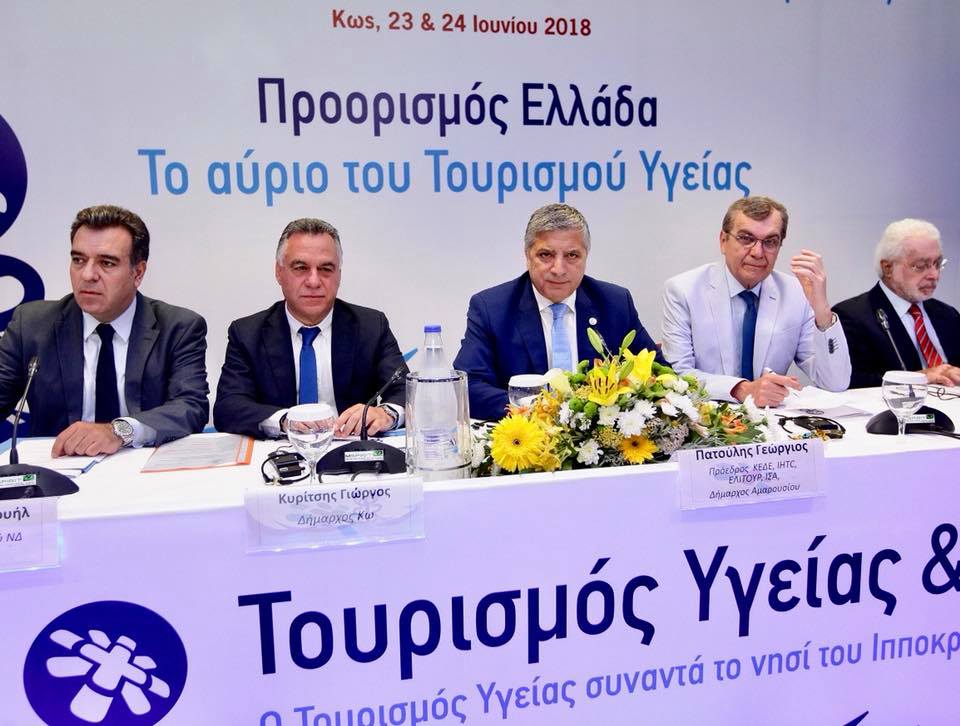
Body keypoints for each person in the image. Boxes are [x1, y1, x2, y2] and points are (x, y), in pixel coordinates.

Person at [0, 204, 209, 455]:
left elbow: (190, 406)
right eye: (78, 260)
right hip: (58, 467)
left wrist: (118, 431)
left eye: (107, 263)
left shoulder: (177, 327)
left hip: (143, 465)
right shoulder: (32, 325)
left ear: (138, 272)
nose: (88, 274)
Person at [453, 203, 661, 421]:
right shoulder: (492, 308)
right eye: (546, 255)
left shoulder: (615, 303)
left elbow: (657, 374)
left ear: (586, 256)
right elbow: (469, 386)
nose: (559, 269)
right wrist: (539, 411)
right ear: (527, 255)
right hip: (525, 435)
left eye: (572, 255)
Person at [213, 218, 407, 438]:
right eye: (301, 268)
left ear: (339, 274)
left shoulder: (370, 326)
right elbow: (228, 407)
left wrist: (386, 414)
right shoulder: (248, 333)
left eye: (326, 269)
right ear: (279, 272)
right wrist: (284, 421)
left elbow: (407, 391)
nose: (314, 281)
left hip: (350, 447)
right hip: (279, 450)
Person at [661, 196, 850, 406]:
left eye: (770, 242)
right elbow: (678, 376)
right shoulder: (684, 290)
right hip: (705, 416)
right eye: (746, 238)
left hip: (773, 419)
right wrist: (742, 389)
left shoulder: (796, 293)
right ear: (723, 241)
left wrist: (822, 311)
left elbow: (835, 383)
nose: (758, 253)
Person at [833, 218, 960, 388]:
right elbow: (849, 382)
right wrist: (918, 377)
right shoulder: (851, 316)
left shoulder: (948, 314)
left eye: (937, 264)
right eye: (920, 266)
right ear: (888, 268)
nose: (934, 275)